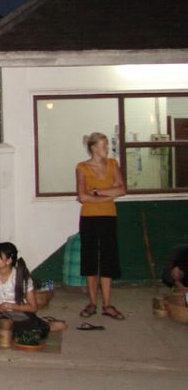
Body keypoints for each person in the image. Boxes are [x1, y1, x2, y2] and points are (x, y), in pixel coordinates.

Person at [0, 242, 66, 339]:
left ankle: (46, 324)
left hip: (19, 313)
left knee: (32, 331)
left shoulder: (21, 276)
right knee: (0, 329)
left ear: (8, 261)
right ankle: (37, 324)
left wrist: (9, 306)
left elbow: (33, 307)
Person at [76, 132, 126, 320]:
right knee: (89, 260)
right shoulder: (82, 167)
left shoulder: (113, 164)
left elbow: (122, 189)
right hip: (89, 218)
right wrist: (108, 195)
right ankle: (92, 303)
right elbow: (82, 196)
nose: (107, 148)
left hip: (109, 217)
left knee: (108, 260)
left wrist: (95, 192)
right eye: (104, 145)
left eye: (106, 145)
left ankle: (107, 304)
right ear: (94, 148)